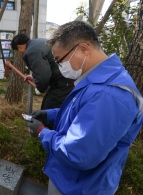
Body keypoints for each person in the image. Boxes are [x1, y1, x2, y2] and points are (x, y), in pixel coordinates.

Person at [27, 20, 143, 195]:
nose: (59, 67)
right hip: (71, 179)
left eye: (60, 60)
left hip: (81, 187)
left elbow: (78, 153)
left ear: (83, 49)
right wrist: (50, 115)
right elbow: (81, 114)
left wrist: (42, 132)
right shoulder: (98, 81)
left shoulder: (110, 95)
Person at [10, 33, 75, 110]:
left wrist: (39, 88)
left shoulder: (31, 51)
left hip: (63, 80)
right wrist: (33, 76)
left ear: (19, 47)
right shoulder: (39, 42)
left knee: (49, 108)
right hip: (68, 76)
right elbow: (46, 65)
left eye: (17, 51)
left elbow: (44, 75)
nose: (19, 53)